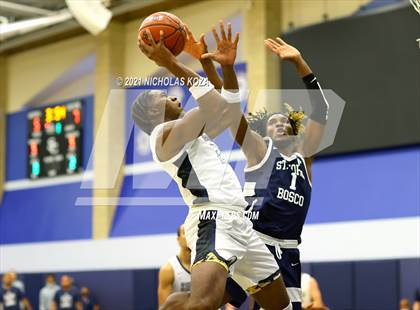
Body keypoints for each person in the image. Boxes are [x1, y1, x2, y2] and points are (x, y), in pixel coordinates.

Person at [135, 24, 292, 309]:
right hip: (212, 219)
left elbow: (225, 109)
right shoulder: (163, 137)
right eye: (163, 98)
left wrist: (217, 66)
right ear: (152, 114)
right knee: (205, 303)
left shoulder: (190, 131)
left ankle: (173, 305)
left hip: (240, 222)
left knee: (280, 305)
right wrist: (172, 63)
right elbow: (213, 107)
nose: (173, 97)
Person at [199, 23, 329, 310]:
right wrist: (222, 70)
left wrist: (299, 62)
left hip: (289, 251)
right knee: (205, 302)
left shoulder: (305, 158)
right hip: (252, 242)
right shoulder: (259, 149)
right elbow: (229, 111)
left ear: (295, 131)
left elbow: (322, 110)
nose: (279, 123)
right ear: (265, 133)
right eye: (272, 122)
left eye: (285, 121)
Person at [158, 224, 192, 305]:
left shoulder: (208, 263)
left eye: (191, 232)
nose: (189, 236)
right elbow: (164, 306)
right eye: (185, 233)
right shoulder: (168, 269)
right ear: (178, 239)